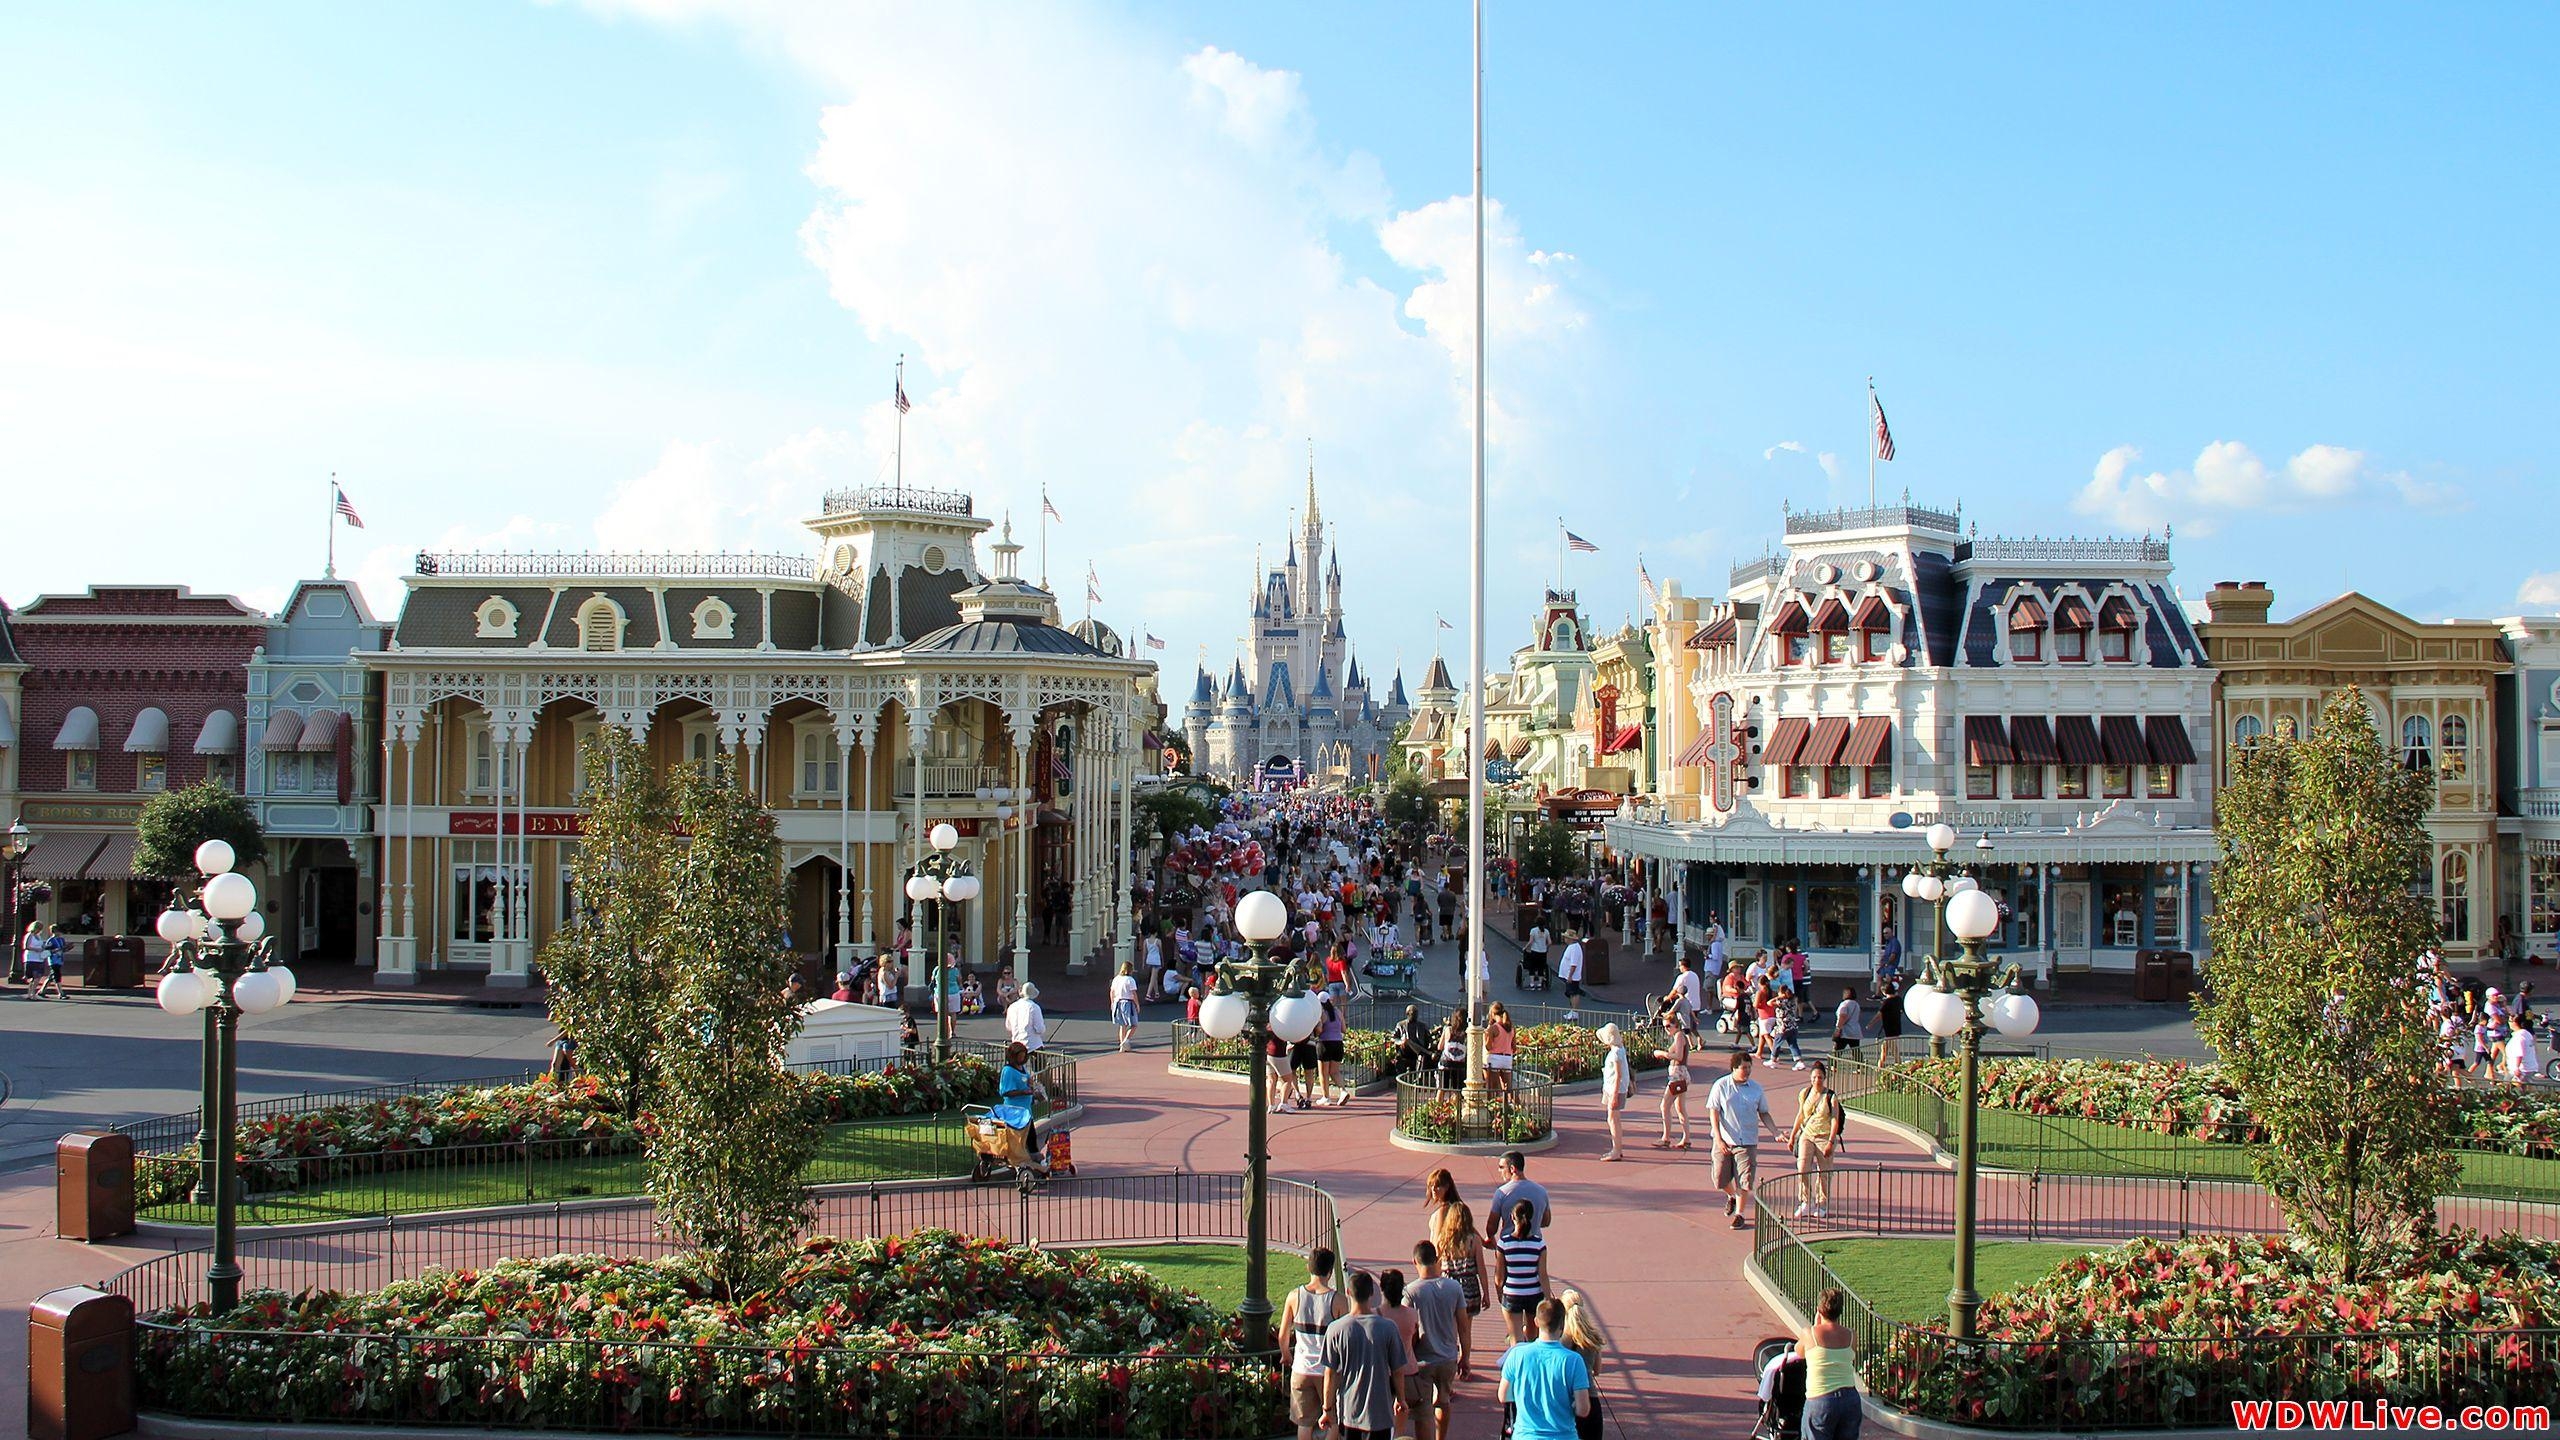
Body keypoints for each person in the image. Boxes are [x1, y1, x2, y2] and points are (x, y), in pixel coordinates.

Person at [1318, 1269, 1410, 1440]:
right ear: (1371, 1293)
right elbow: (1398, 1370)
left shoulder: (1336, 1329)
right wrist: (1401, 1398)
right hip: (1380, 1414)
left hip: (1349, 1412)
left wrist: (1327, 1409)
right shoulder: (1388, 1328)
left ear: (1348, 1292)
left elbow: (1330, 1374)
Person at [1497, 1297, 1593, 1440]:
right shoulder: (1573, 1361)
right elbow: (1583, 1410)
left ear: (1536, 1322)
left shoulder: (1517, 1354)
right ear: (1562, 1324)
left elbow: (1503, 1396)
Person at [1280, 1247, 1344, 1440]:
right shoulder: (1338, 1301)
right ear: (1330, 1271)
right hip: (1329, 1371)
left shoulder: (1294, 1296)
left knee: (1304, 1423)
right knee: (1332, 1419)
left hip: (1302, 1368)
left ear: (1309, 1267)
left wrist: (1286, 1354)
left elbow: (1283, 1333)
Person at [1707, 1052, 1776, 1228]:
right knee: (1719, 1180)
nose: (1747, 1071)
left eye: (1749, 1067)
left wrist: (1775, 1132)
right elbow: (1714, 1112)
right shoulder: (1721, 1086)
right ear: (1734, 1068)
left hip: (1747, 1141)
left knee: (1744, 1180)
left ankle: (1740, 1213)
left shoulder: (1756, 1089)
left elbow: (1764, 1112)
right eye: (1743, 1068)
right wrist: (1719, 1138)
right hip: (1724, 1141)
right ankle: (1731, 1195)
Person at [1406, 1242, 1465, 1440]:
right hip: (1448, 1356)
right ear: (1437, 1260)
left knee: (1422, 1411)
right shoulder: (1454, 1287)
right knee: (1443, 1401)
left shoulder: (1411, 1292)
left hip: (1422, 1359)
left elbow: (1408, 1328)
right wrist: (1465, 1356)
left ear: (1415, 1261)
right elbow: (1463, 1325)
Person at [1430, 1199, 1488, 1379]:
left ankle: (1450, 1363)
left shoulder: (1442, 1240)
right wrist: (1486, 1292)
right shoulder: (1474, 1240)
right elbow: (1481, 1268)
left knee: (1450, 1329)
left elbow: (1437, 1267)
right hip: (1468, 1287)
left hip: (1448, 1287)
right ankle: (1466, 1361)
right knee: (1466, 1328)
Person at [1796, 1286, 1862, 1440]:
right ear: (1840, 1310)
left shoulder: (1809, 1333)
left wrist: (1816, 1325)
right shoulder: (1851, 1335)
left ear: (1819, 1309)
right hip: (1850, 1399)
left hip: (1821, 1400)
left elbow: (1799, 1351)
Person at [1784, 1060, 1845, 1218]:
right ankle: (1805, 1201)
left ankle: (1822, 1203)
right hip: (1807, 1135)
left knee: (1824, 1172)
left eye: (1819, 1077)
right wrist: (1792, 1136)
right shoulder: (1805, 1093)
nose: (1816, 1080)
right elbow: (1800, 1115)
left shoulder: (1830, 1097)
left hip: (1824, 1137)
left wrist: (1831, 1141)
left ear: (1824, 1078)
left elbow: (1834, 1119)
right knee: (1802, 1167)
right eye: (1814, 1077)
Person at [1492, 1199, 1549, 1345]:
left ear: (1512, 1217)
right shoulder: (1539, 1244)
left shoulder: (1504, 1243)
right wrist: (1548, 1297)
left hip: (1512, 1293)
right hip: (1534, 1293)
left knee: (1515, 1337)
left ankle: (1517, 1363)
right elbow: (1542, 1274)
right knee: (1532, 1337)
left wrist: (1500, 1292)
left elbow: (1499, 1276)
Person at [1558, 1289, 1609, 1440]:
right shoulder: (1592, 1337)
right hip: (1590, 1398)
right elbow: (1597, 1370)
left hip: (1567, 1400)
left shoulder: (1561, 1341)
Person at [1484, 1149, 1552, 1243]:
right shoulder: (1541, 1191)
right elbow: (1546, 1222)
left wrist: (1489, 1238)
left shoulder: (1501, 1193)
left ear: (1512, 1169)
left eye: (1501, 1167)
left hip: (1509, 1247)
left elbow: (1491, 1227)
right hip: (1535, 1246)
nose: (1499, 1170)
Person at [1654, 998, 1694, 1149]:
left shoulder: (1679, 1036)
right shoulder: (1679, 1036)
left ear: (1675, 1025)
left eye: (1668, 1026)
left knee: (1665, 1105)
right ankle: (1686, 1138)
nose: (1666, 1029)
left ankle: (1666, 1137)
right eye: (1664, 1027)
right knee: (1680, 1107)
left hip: (1678, 1074)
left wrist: (1663, 1054)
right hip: (1680, 1074)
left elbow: (1678, 1056)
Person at [1597, 1022, 1632, 1162]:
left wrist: (1615, 1095)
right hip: (1612, 1088)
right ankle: (1617, 1148)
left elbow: (1618, 1075)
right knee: (1613, 1119)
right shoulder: (1619, 1049)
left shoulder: (1616, 1052)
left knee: (1613, 1119)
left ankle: (1616, 1150)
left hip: (1614, 1089)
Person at [1315, 989, 1351, 1106]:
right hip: (1338, 1043)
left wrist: (1317, 1030)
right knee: (1334, 1071)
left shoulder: (1322, 1013)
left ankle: (1326, 1097)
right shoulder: (1338, 1012)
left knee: (1323, 1072)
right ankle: (1343, 1090)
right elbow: (1344, 1029)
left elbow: (1319, 1030)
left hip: (1324, 1043)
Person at [1005, 981, 1048, 1053]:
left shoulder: (1012, 1007)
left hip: (1016, 1045)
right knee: (1039, 1062)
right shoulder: (1034, 1007)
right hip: (1033, 1045)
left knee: (1017, 1063)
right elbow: (1040, 1029)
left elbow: (1008, 1027)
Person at [1485, 1002, 1517, 1094]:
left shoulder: (1493, 1028)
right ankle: (1509, 1105)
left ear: (1493, 1014)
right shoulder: (1511, 1027)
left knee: (1493, 1087)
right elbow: (1514, 1047)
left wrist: (1486, 1036)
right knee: (1508, 1086)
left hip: (1495, 1058)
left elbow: (1488, 1046)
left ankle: (1494, 1105)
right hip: (1507, 1058)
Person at [1110, 961, 1141, 1052]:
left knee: (1122, 1025)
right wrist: (1137, 1004)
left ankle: (1122, 1046)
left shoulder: (1116, 979)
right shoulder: (1130, 980)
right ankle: (1126, 1040)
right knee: (1134, 1024)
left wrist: (1112, 1003)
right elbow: (1133, 993)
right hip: (1128, 1002)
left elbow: (1112, 992)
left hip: (1117, 1002)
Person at [1557, 931, 1586, 1021]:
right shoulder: (1572, 947)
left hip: (1572, 976)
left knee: (1574, 993)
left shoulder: (1574, 948)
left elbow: (1573, 964)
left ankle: (1574, 1012)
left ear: (1570, 939)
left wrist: (1570, 976)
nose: (1564, 939)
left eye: (1566, 937)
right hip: (1569, 976)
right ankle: (1572, 1011)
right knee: (1571, 993)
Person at [1877, 976, 1905, 1066]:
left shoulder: (1887, 1002)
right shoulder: (1898, 1000)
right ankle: (1881, 1064)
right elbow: (1901, 1011)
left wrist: (1870, 1024)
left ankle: (1896, 1064)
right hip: (1895, 1026)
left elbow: (1880, 1014)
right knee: (1886, 1047)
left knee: (1891, 1047)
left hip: (1889, 1027)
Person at [1833, 986, 1864, 1060]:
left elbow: (1842, 1017)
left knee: (1837, 1050)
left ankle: (1833, 1066)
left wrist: (1838, 1029)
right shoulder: (1856, 1005)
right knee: (1856, 1051)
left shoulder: (1844, 1004)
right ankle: (1859, 1067)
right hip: (1855, 1031)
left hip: (1845, 1031)